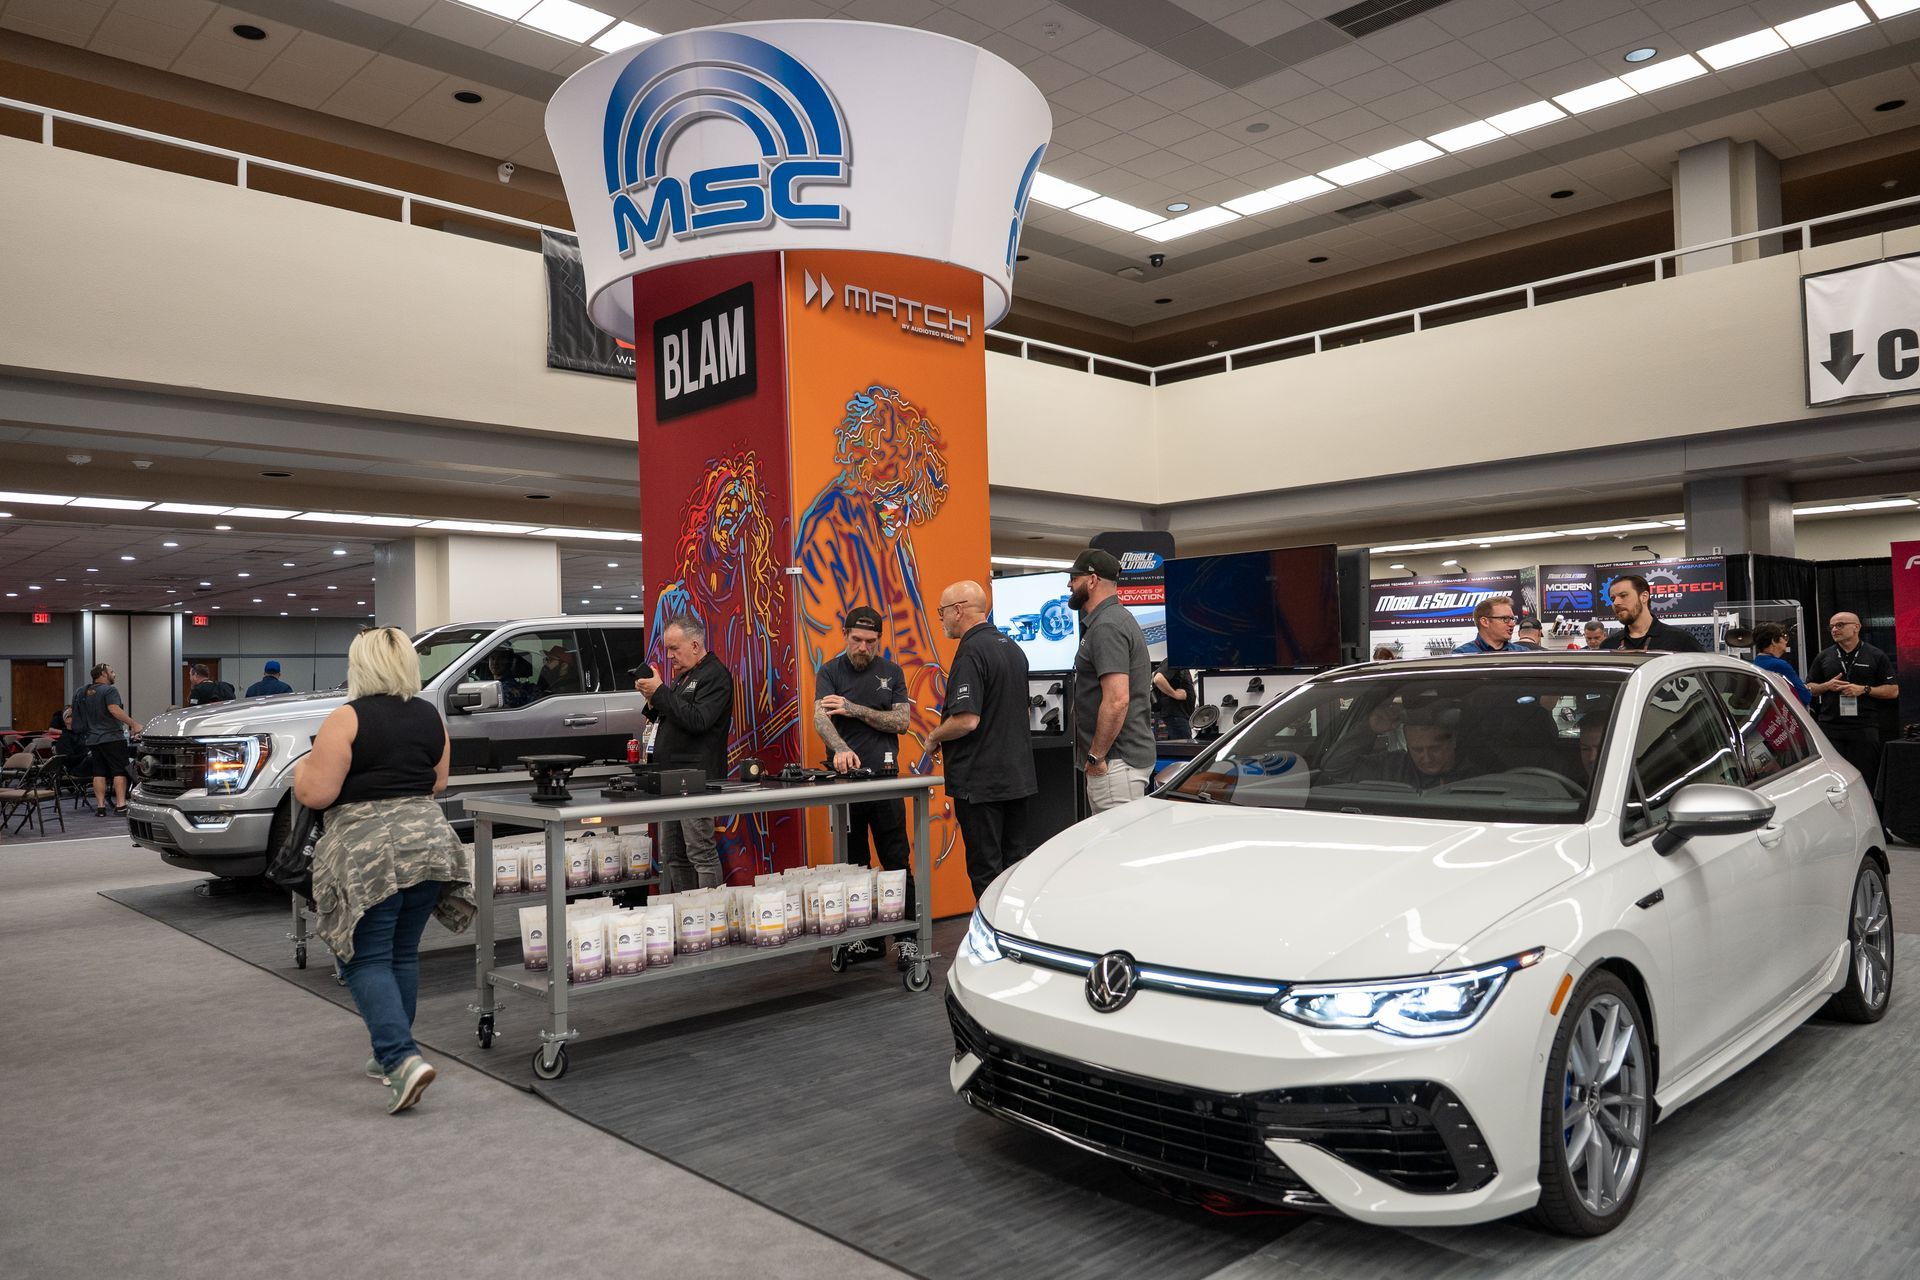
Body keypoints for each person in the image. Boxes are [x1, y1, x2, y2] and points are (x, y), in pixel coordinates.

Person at [293, 626, 475, 1115]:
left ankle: (400, 1060)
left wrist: (298, 773)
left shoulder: (346, 718)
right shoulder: (429, 716)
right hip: (431, 845)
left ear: (361, 667)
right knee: (401, 954)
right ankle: (390, 1053)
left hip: (370, 850)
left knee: (364, 958)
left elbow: (317, 794)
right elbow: (437, 782)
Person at [813, 605, 913, 958]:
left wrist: (854, 709)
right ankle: (868, 941)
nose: (862, 648)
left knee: (896, 862)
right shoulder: (830, 672)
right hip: (848, 784)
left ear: (879, 641)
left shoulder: (892, 672)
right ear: (845, 635)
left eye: (870, 641)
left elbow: (901, 722)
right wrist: (840, 750)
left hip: (885, 781)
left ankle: (906, 940)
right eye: (856, 640)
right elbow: (821, 719)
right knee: (855, 866)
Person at [926, 580, 1036, 899]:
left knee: (986, 873)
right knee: (1014, 868)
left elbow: (966, 719)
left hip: (982, 785)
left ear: (958, 610)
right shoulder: (1013, 648)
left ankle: (990, 944)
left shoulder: (971, 651)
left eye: (942, 611)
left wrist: (934, 736)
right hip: (1017, 779)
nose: (941, 619)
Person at [635, 616, 734, 891]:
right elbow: (672, 714)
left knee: (700, 853)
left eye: (674, 648)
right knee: (673, 855)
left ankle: (710, 919)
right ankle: (687, 914)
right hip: (672, 778)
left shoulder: (715, 675)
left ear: (694, 644)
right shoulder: (684, 677)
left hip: (696, 779)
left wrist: (661, 693)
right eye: (668, 649)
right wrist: (652, 697)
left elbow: (698, 720)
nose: (669, 656)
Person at [1066, 548, 1154, 813]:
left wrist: (1096, 756)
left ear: (1092, 580)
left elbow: (1117, 700)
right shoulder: (1113, 620)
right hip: (1119, 763)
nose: (1069, 584)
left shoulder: (1107, 626)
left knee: (1120, 849)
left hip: (1116, 765)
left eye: (1075, 578)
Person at [1807, 611, 1897, 783]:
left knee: (1866, 778)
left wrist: (1864, 689)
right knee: (1833, 779)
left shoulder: (1875, 655)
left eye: (1840, 625)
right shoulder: (1824, 656)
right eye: (1832, 626)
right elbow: (1809, 688)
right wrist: (1826, 686)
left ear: (1856, 627)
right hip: (1830, 727)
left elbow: (1893, 691)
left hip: (1863, 727)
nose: (1834, 629)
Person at [71, 663, 141, 817]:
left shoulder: (82, 692)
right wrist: (134, 724)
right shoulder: (109, 690)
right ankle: (121, 805)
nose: (114, 674)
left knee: (99, 772)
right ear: (103, 673)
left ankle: (101, 807)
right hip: (112, 737)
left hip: (92, 739)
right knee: (119, 770)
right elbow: (114, 709)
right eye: (112, 671)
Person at [1597, 575, 1702, 652]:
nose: (1616, 603)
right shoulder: (1609, 645)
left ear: (1644, 597)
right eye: (1613, 599)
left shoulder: (1680, 640)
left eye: (1623, 595)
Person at [1750, 622, 1812, 707]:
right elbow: (1805, 697)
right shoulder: (1780, 665)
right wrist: (1806, 688)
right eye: (1784, 637)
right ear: (1773, 641)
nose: (1786, 642)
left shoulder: (1757, 662)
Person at [1453, 596, 1526, 654]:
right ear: (1484, 622)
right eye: (1505, 619)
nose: (1512, 624)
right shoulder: (1462, 655)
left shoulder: (1523, 653)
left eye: (1513, 619)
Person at [1150, 662, 1194, 737]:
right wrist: (1175, 694)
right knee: (1183, 747)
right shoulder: (1175, 660)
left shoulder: (1181, 665)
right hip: (1177, 716)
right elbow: (1158, 679)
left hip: (1180, 716)